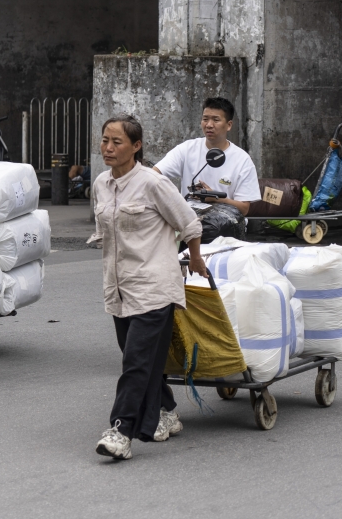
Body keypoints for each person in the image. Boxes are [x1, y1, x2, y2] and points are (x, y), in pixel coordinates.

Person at [89, 115, 207, 460]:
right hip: (119, 289)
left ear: (136, 147)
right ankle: (167, 411)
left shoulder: (152, 184)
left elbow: (189, 222)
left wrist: (196, 258)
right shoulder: (100, 183)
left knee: (136, 362)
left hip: (155, 288)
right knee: (140, 359)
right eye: (105, 140)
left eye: (117, 142)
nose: (108, 148)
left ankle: (121, 431)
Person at [153, 97, 261, 215]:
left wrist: (216, 198)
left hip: (226, 224)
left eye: (216, 120)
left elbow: (244, 209)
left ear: (229, 125)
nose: (209, 125)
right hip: (191, 222)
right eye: (205, 119)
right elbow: (154, 174)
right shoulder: (186, 149)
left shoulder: (242, 160)